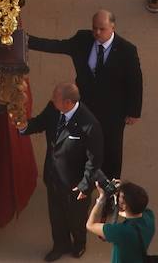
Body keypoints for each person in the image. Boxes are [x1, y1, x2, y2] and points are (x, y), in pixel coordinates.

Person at [27, 10, 142, 179]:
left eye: (101, 29)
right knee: (81, 141)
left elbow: (135, 82)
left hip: (112, 111)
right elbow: (57, 45)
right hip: (85, 105)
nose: (97, 32)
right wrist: (26, 40)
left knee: (111, 150)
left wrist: (133, 112)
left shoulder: (127, 51)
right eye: (94, 28)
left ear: (112, 27)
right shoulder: (82, 39)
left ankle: (110, 190)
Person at [19, 82, 104, 263]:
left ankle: (79, 243)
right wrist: (23, 126)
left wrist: (85, 185)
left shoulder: (89, 124)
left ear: (68, 102)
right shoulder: (53, 109)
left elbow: (94, 160)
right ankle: (60, 245)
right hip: (54, 177)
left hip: (76, 184)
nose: (52, 100)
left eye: (55, 98)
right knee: (56, 216)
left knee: (76, 218)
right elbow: (40, 123)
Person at [84, 181, 154, 263]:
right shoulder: (149, 216)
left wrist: (101, 199)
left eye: (120, 197)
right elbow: (131, 212)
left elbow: (90, 225)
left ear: (124, 206)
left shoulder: (120, 231)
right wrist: (125, 189)